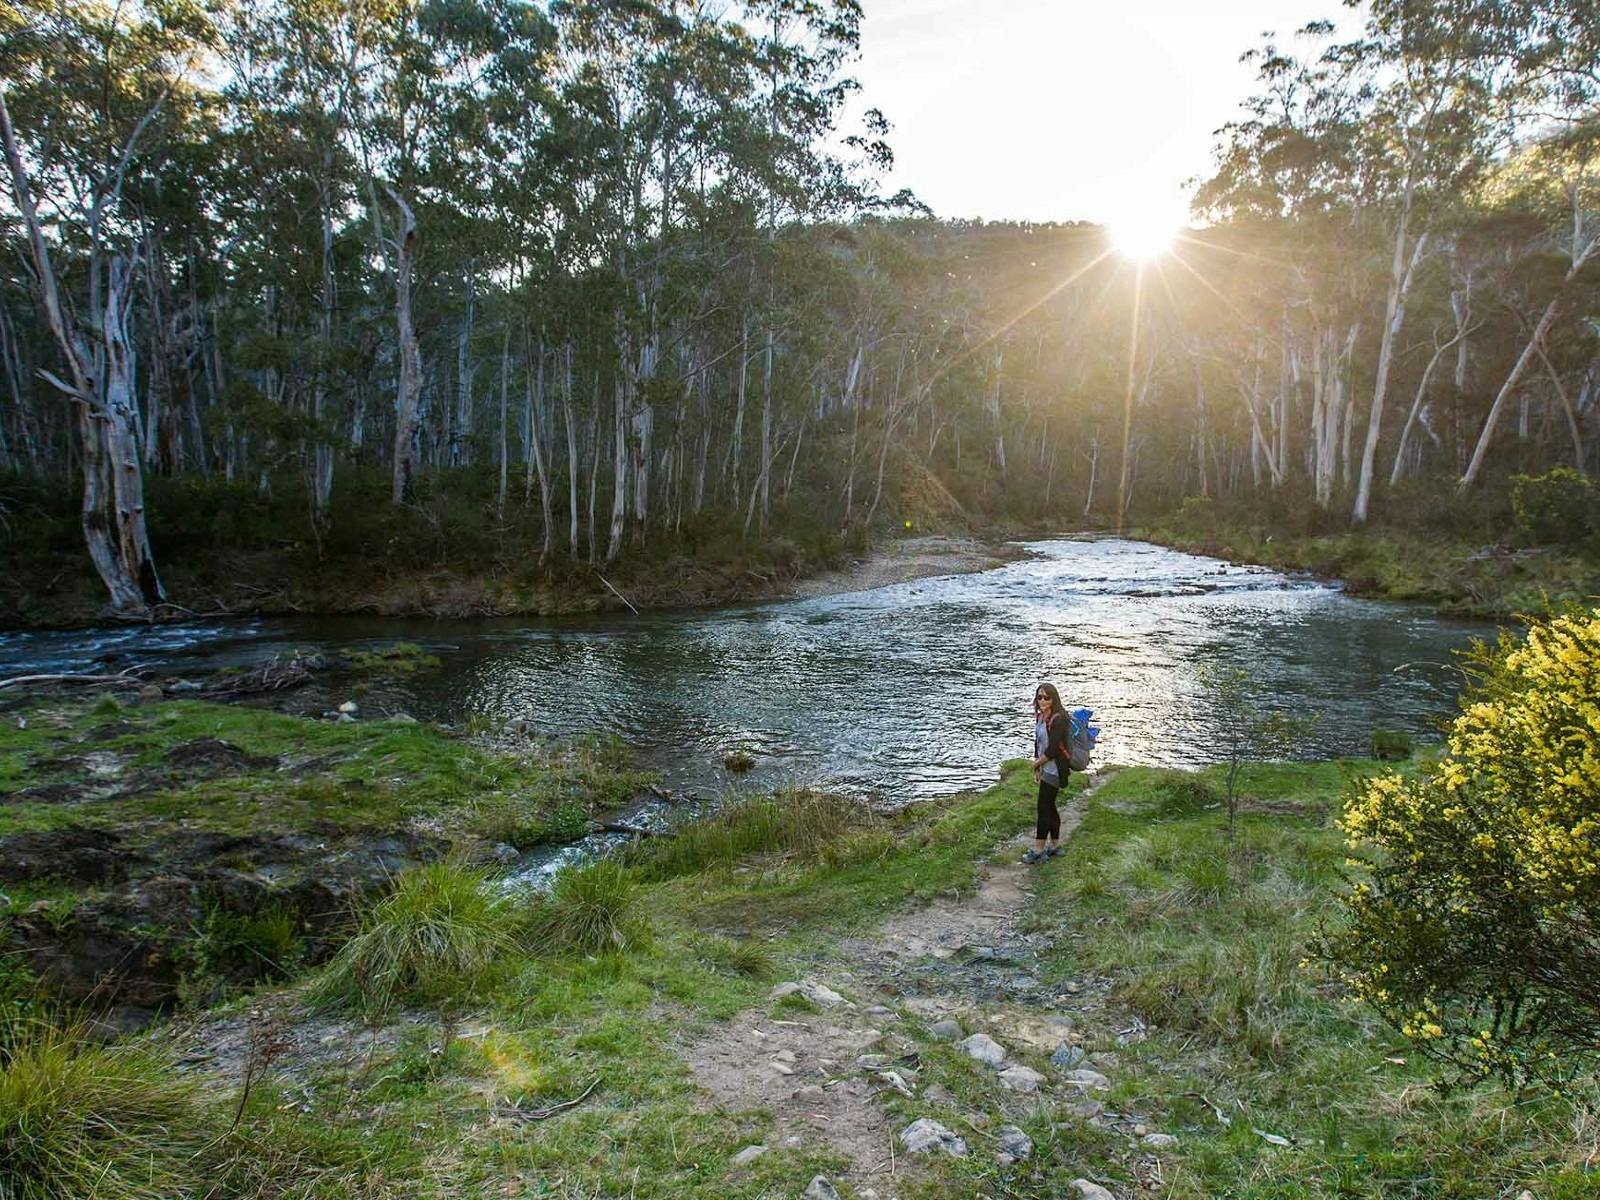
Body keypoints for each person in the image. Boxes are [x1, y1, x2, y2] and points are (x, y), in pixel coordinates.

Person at [1025, 682, 1070, 863]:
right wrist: (1037, 768)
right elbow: (1038, 744)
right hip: (1046, 769)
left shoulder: (1059, 719)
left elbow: (1052, 751)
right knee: (1050, 807)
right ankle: (1055, 846)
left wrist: (1036, 763)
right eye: (1039, 697)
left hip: (1056, 770)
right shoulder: (1040, 717)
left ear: (1053, 699)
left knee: (1043, 808)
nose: (1042, 700)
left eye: (1046, 697)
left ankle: (1038, 850)